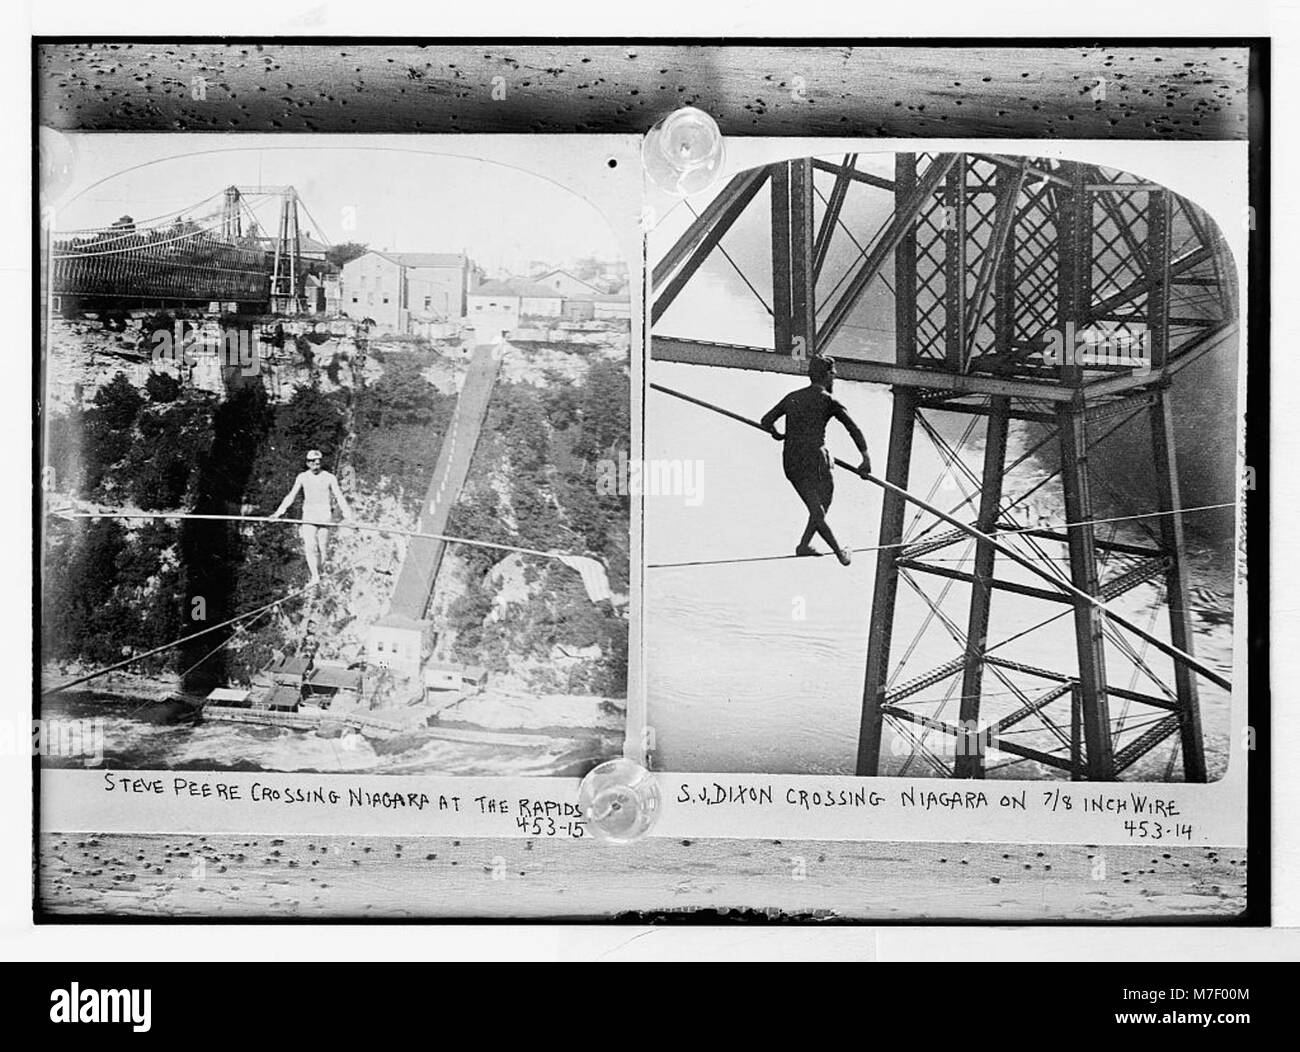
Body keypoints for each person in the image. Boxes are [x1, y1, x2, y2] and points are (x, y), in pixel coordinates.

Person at [760, 355, 871, 565]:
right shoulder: (828, 400)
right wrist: (865, 459)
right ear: (828, 374)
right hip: (815, 460)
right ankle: (839, 553)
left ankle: (805, 546)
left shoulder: (792, 397)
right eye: (834, 374)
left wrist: (777, 434)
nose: (835, 378)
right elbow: (853, 429)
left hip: (792, 461)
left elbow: (766, 421)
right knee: (821, 505)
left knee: (815, 508)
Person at [270, 449, 353, 584]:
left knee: (322, 549)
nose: (316, 464)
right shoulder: (302, 477)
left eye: (318, 462)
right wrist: (278, 512)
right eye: (313, 462)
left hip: (324, 516)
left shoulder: (329, 477)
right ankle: (315, 576)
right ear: (308, 463)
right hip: (309, 515)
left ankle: (318, 571)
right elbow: (291, 496)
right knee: (310, 546)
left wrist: (348, 517)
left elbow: (339, 497)